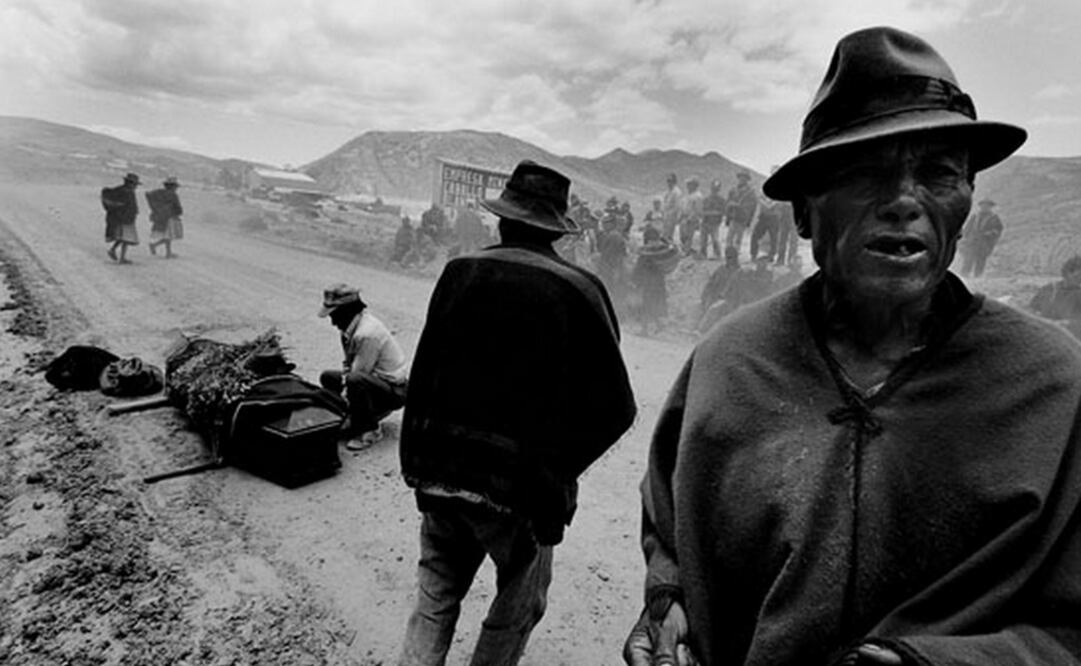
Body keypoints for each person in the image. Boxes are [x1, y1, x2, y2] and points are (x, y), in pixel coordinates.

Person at [625, 26, 1081, 666]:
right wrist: (666, 602)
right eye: (866, 173)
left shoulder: (1052, 387)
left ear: (967, 203)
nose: (903, 202)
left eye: (938, 173)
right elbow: (670, 521)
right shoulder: (729, 362)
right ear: (805, 214)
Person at [398, 160, 636, 666]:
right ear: (556, 231)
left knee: (434, 601)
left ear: (502, 221)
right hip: (518, 492)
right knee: (516, 606)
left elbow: (423, 374)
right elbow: (616, 408)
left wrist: (416, 463)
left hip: (440, 475)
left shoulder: (459, 272)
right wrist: (554, 472)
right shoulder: (580, 289)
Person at [317, 284, 408, 450]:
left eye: (334, 315)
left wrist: (343, 406)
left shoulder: (367, 334)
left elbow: (357, 374)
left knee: (355, 380)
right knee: (328, 377)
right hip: (373, 381)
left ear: (347, 311)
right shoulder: (349, 327)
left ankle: (370, 430)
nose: (332, 322)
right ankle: (358, 416)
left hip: (395, 390)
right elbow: (348, 364)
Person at [1029, 254, 1081, 338]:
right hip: (1044, 335)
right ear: (1067, 273)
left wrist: (1067, 323)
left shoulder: (1079, 294)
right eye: (1078, 276)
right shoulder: (1048, 289)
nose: (1079, 280)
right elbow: (1031, 310)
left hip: (1068, 338)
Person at [100, 172, 141, 264]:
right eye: (135, 184)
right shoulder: (128, 192)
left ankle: (117, 253)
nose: (135, 186)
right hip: (125, 219)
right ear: (130, 183)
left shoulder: (120, 190)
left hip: (121, 218)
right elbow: (129, 205)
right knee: (125, 238)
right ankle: (119, 255)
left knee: (124, 238)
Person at [958, 198, 1003, 277]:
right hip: (972, 241)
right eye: (983, 206)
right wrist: (964, 237)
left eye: (987, 206)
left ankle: (978, 276)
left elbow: (998, 229)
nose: (984, 207)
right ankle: (964, 276)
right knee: (968, 259)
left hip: (984, 243)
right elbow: (968, 228)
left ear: (990, 207)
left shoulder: (994, 218)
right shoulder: (975, 216)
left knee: (981, 260)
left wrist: (989, 234)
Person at [145, 176, 184, 258]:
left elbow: (148, 195)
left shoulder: (159, 192)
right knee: (169, 235)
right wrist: (179, 212)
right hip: (170, 217)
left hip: (161, 216)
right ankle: (165, 251)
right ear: (173, 186)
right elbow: (177, 206)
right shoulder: (173, 195)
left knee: (167, 235)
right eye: (175, 186)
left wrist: (155, 209)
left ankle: (162, 249)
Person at [724, 170, 758, 260]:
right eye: (741, 177)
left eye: (744, 178)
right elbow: (728, 202)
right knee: (729, 237)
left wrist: (748, 220)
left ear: (747, 180)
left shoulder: (750, 192)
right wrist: (728, 215)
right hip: (733, 217)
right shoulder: (733, 190)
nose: (742, 179)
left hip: (742, 218)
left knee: (738, 239)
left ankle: (735, 255)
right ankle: (728, 255)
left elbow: (752, 207)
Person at [700, 180, 726, 260]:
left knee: (715, 239)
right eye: (713, 188)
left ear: (718, 189)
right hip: (705, 221)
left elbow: (723, 212)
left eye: (716, 189)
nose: (714, 190)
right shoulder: (706, 199)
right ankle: (703, 254)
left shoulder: (721, 200)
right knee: (703, 239)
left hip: (715, 223)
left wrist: (712, 213)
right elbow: (702, 210)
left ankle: (717, 254)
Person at [680, 178, 704, 257]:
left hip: (691, 218)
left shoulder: (697, 196)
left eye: (689, 184)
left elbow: (697, 210)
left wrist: (690, 218)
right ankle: (686, 248)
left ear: (694, 186)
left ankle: (686, 251)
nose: (687, 186)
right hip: (685, 216)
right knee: (683, 234)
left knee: (689, 235)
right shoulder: (688, 195)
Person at [661, 173, 683, 243]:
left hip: (672, 216)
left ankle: (670, 246)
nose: (669, 183)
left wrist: (669, 215)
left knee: (669, 235)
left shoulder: (677, 192)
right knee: (664, 234)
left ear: (674, 181)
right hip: (666, 215)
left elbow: (677, 207)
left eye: (670, 181)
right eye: (668, 181)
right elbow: (664, 203)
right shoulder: (668, 191)